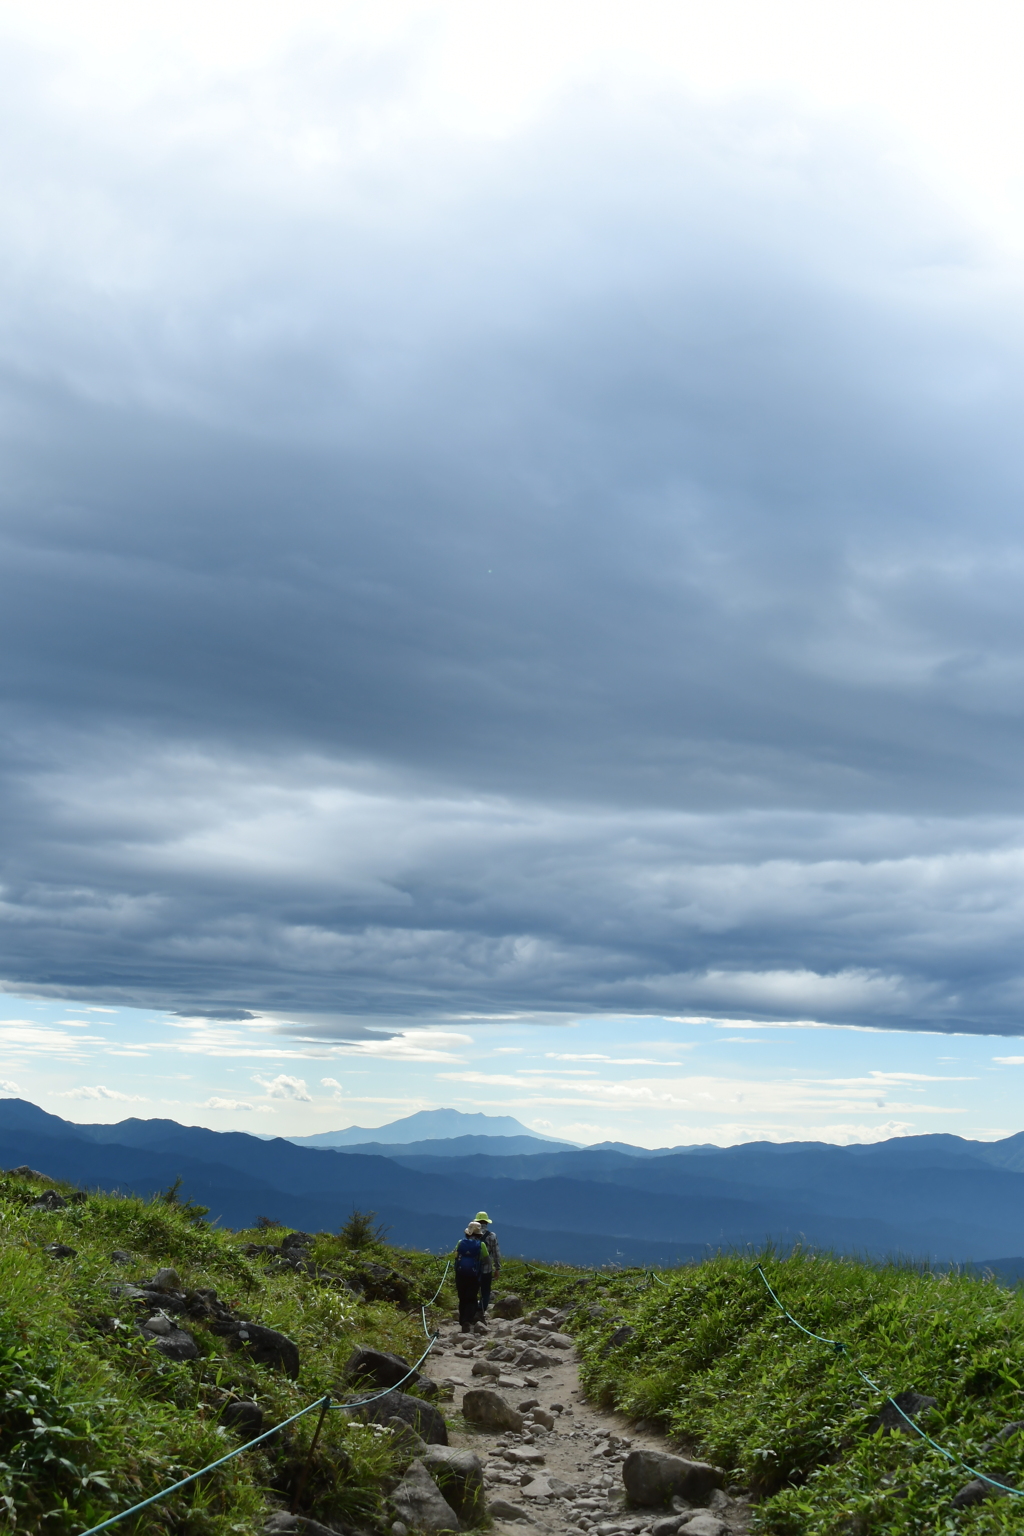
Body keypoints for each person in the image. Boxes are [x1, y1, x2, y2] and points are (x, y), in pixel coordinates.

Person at [454, 1221, 484, 1332]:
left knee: (462, 1298)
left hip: (461, 1274)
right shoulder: (481, 1245)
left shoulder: (460, 1242)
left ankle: (462, 1321)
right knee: (471, 1298)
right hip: (474, 1275)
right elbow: (485, 1258)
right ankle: (468, 1320)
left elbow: (456, 1256)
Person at [473, 1210, 501, 1318]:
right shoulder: (492, 1236)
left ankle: (472, 1310)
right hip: (487, 1268)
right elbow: (496, 1253)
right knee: (485, 1291)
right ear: (487, 1223)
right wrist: (497, 1268)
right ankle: (481, 1311)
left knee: (473, 1289)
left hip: (472, 1268)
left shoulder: (471, 1234)